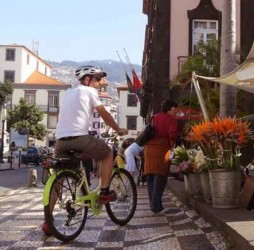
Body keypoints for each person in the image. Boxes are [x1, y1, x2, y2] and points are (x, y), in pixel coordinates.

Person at [42, 65, 128, 235]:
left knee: (59, 180)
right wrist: (117, 129)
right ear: (87, 79)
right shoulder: (89, 92)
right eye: (96, 79)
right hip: (79, 137)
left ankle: (47, 222)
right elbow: (103, 112)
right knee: (107, 154)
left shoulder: (68, 93)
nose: (98, 83)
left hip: (60, 140)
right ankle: (104, 191)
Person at [144, 99, 178, 213]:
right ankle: (156, 206)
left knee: (151, 178)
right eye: (175, 109)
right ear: (170, 108)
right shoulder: (171, 119)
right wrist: (172, 147)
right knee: (160, 178)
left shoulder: (154, 117)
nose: (176, 111)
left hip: (149, 149)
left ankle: (153, 204)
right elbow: (172, 135)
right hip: (162, 150)